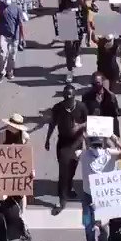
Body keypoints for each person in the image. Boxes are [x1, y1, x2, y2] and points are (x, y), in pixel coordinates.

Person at [77, 135, 121, 241]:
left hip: (88, 196)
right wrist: (115, 141)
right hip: (105, 195)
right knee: (105, 221)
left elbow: (73, 154)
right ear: (102, 144)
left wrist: (84, 138)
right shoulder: (110, 154)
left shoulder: (84, 154)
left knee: (87, 222)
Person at [46, 84, 88, 214]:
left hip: (77, 142)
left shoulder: (81, 107)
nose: (67, 99)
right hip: (63, 143)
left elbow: (89, 122)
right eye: (65, 96)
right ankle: (62, 199)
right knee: (63, 171)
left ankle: (69, 187)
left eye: (69, 96)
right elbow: (52, 124)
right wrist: (47, 139)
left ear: (74, 96)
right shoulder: (58, 108)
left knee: (72, 169)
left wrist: (79, 127)